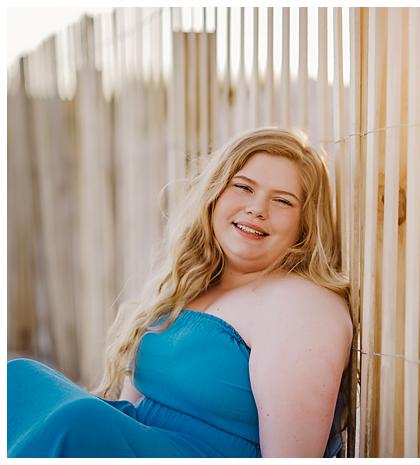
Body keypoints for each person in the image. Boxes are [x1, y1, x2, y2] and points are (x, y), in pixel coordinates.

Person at [7, 127, 353, 458]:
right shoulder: (193, 284)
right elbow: (130, 406)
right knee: (20, 382)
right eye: (244, 187)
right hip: (135, 442)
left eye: (282, 201)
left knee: (78, 422)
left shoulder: (301, 304)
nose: (257, 209)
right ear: (215, 193)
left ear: (304, 225)